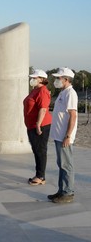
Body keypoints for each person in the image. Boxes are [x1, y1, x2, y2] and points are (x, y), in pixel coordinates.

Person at [48, 67, 78, 203]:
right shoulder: (63, 92)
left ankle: (68, 193)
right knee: (61, 164)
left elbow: (73, 115)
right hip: (59, 135)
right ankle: (61, 191)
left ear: (66, 79)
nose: (56, 80)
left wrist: (68, 135)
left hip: (64, 136)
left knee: (66, 165)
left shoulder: (70, 93)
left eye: (59, 78)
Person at [23, 69, 52, 186]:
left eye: (35, 78)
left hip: (40, 125)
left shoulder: (42, 91)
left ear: (41, 79)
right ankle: (38, 174)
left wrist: (38, 124)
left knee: (40, 150)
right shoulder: (35, 90)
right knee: (36, 150)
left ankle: (41, 176)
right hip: (32, 125)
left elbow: (43, 108)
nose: (32, 79)